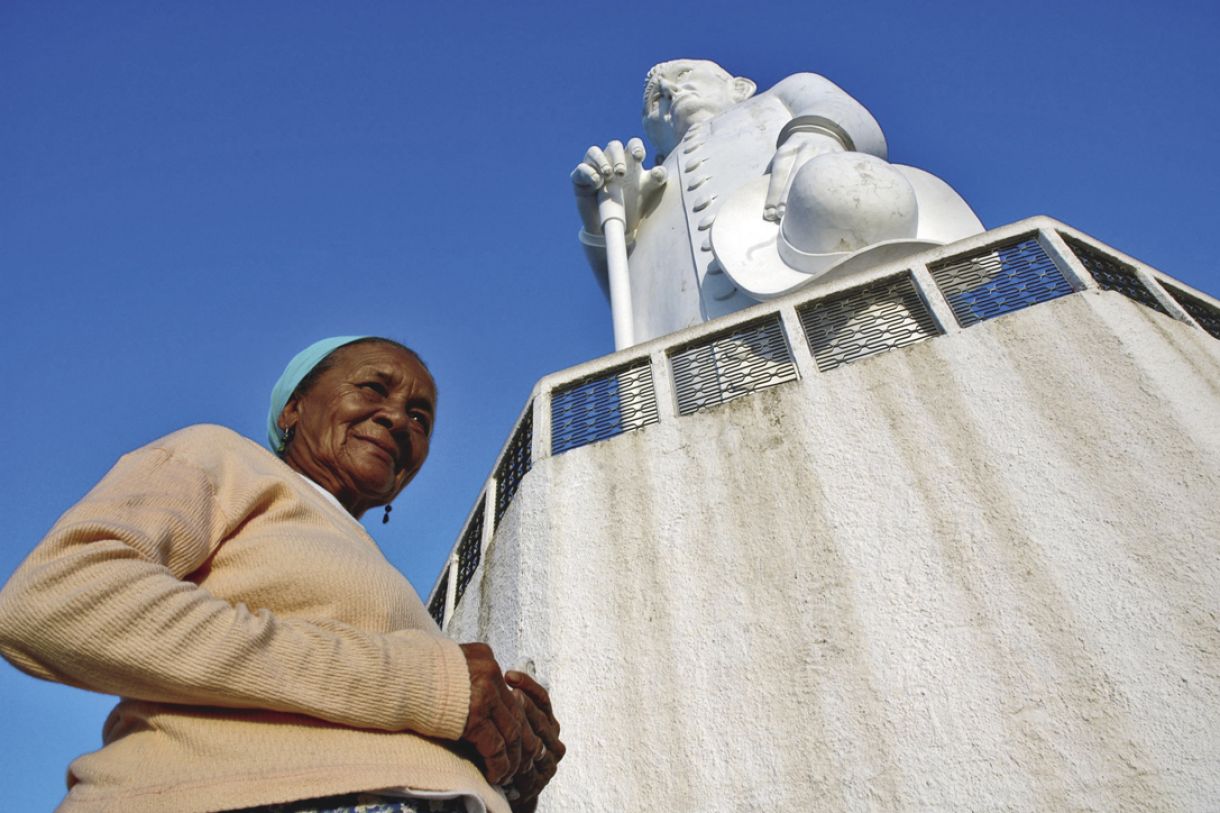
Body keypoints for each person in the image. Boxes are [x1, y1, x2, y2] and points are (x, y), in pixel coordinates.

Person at [0, 336, 563, 813]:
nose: (398, 419)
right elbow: (58, 599)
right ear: (292, 409)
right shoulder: (222, 457)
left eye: (420, 417)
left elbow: (368, 708)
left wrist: (504, 761)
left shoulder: (370, 566)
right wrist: (430, 686)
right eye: (373, 388)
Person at [571, 59, 982, 343]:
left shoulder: (777, 100)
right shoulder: (649, 181)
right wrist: (605, 224)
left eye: (685, 75)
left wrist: (821, 132)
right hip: (694, 354)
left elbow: (844, 110)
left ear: (739, 87)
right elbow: (630, 304)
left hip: (823, 300)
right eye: (655, 101)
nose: (670, 90)